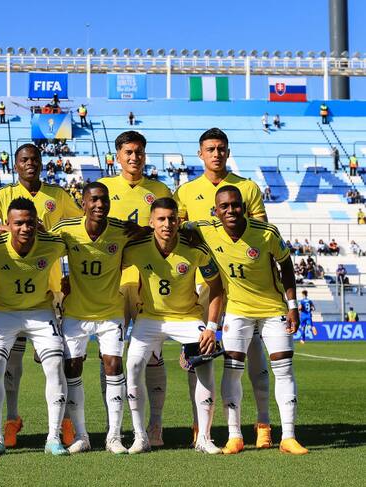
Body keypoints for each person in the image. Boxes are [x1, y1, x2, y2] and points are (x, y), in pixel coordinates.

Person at [0, 143, 82, 448]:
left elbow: (79, 227)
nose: (30, 164)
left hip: (50, 291)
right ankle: (11, 421)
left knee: (60, 360)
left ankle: (63, 423)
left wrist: (69, 271)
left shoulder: (58, 195)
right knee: (10, 362)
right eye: (24, 160)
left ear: (42, 162)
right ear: (16, 164)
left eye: (35, 159)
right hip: (10, 289)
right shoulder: (3, 195)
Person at [174, 127, 272, 448]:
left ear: (228, 152)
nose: (216, 154)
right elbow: (178, 236)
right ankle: (200, 426)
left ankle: (262, 423)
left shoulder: (247, 187)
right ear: (200, 154)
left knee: (253, 353)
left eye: (221, 148)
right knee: (199, 356)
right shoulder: (186, 191)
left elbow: (262, 234)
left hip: (245, 284)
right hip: (204, 285)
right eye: (210, 149)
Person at [195, 185, 308, 455]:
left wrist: (293, 305)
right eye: (224, 206)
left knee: (283, 368)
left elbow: (286, 265)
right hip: (237, 310)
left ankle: (288, 436)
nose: (231, 210)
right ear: (216, 211)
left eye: (236, 205)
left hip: (272, 309)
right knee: (233, 368)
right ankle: (234, 436)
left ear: (244, 208)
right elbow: (173, 226)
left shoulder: (266, 233)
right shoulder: (204, 230)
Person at [124, 197, 225, 455]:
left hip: (187, 318)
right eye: (161, 219)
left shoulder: (194, 248)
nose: (167, 224)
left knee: (205, 364)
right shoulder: (137, 247)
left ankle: (204, 437)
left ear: (179, 221)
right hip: (150, 318)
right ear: (151, 222)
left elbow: (216, 287)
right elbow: (108, 263)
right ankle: (140, 436)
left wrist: (211, 327)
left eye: (172, 219)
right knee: (133, 365)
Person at [98, 130, 171, 447]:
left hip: (148, 280)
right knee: (109, 356)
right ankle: (112, 426)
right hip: (111, 281)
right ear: (117, 156)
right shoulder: (103, 189)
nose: (134, 157)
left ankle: (155, 424)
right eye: (128, 152)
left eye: (139, 151)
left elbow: (170, 231)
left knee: (152, 355)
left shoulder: (160, 190)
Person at [51, 183, 135, 455]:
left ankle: (114, 437)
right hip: (76, 312)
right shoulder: (67, 229)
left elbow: (148, 234)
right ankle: (82, 436)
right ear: (83, 203)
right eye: (94, 200)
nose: (100, 205)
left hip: (110, 312)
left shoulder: (121, 229)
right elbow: (42, 242)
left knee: (114, 365)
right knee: (72, 368)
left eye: (104, 200)